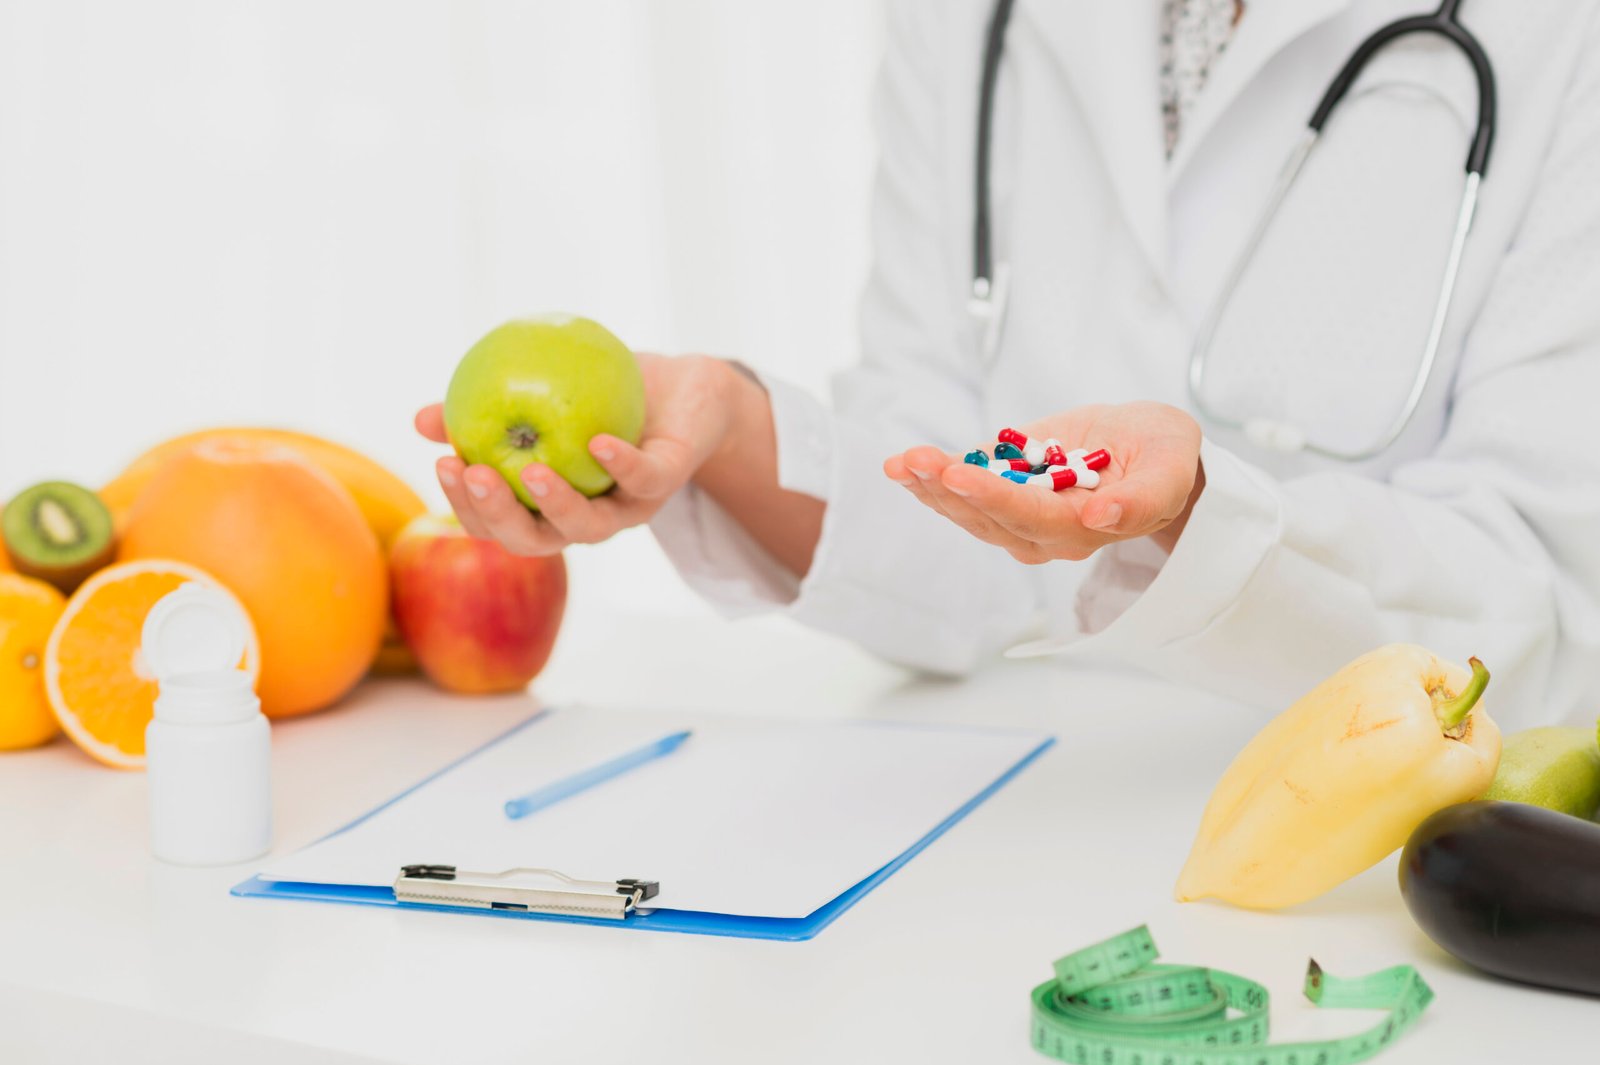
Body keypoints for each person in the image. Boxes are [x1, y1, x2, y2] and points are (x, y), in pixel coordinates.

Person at [417, 0, 1600, 723]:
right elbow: (945, 502)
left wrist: (1200, 518)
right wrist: (722, 431)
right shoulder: (964, 14)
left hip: (1384, 852)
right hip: (1010, 809)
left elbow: (1543, 613)